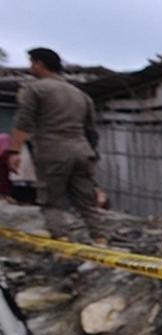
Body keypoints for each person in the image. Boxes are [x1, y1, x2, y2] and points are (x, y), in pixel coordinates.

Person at [8, 47, 105, 240]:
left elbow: (23, 122)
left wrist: (14, 151)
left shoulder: (35, 89)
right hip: (82, 151)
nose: (30, 68)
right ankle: (100, 239)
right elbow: (91, 131)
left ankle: (61, 239)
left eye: (31, 63)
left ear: (39, 64)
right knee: (86, 202)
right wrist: (90, 154)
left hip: (53, 151)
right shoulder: (80, 94)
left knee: (51, 201)